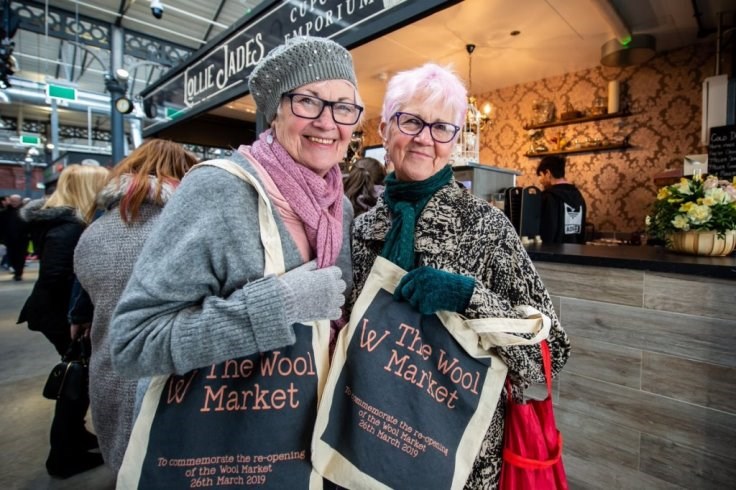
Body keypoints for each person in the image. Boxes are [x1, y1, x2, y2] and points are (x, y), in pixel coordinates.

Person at [350, 63, 571, 489]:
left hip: (460, 457)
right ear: (384, 129)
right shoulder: (363, 229)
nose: (424, 139)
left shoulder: (485, 226)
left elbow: (551, 353)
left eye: (441, 128)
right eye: (411, 121)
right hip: (369, 441)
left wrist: (470, 297)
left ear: (453, 141)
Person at [110, 36, 358, 382]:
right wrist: (280, 303)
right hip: (234, 427)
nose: (328, 122)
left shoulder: (338, 206)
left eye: (343, 107)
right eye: (307, 101)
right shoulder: (220, 189)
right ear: (275, 114)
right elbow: (133, 343)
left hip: (310, 422)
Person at [72, 140, 198, 475]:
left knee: (126, 467)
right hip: (173, 381)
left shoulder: (93, 232)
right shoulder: (186, 231)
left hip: (108, 371)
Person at [17, 164, 110, 478]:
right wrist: (78, 313)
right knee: (77, 377)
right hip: (57, 313)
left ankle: (73, 437)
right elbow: (59, 275)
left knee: (79, 376)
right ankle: (63, 454)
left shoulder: (57, 221)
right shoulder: (69, 227)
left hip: (53, 311)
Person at [536, 155, 586, 244]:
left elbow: (546, 232)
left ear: (548, 173)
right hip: (576, 253)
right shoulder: (578, 195)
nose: (540, 180)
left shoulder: (548, 197)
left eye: (540, 175)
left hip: (553, 255)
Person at [2, 194, 30, 280]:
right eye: (12, 201)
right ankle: (16, 269)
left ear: (20, 201)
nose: (14, 203)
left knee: (20, 256)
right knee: (11, 255)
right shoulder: (5, 212)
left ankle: (19, 272)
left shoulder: (25, 211)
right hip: (9, 238)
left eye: (16, 201)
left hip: (23, 238)